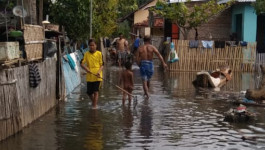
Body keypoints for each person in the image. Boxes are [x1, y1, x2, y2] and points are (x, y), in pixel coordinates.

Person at [81, 39, 104, 109]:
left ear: (96, 46)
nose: (91, 47)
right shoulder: (86, 54)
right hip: (90, 75)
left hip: (97, 75)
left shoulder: (99, 53)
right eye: (90, 45)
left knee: (96, 91)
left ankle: (94, 107)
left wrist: (99, 72)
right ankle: (94, 102)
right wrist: (86, 69)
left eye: (93, 45)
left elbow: (102, 65)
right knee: (89, 92)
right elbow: (81, 63)